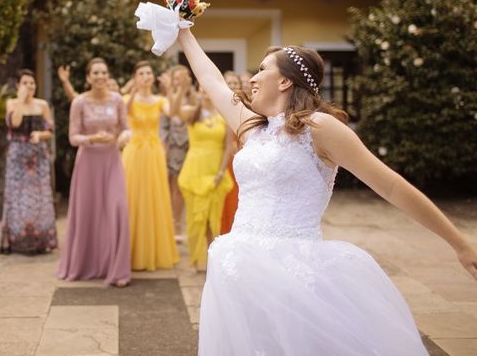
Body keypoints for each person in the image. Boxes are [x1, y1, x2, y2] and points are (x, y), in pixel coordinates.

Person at [175, 27, 477, 355]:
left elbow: (391, 186)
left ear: (285, 81)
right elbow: (211, 80)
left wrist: (459, 244)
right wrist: (183, 31)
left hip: (294, 273)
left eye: (262, 69)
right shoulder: (252, 129)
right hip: (239, 269)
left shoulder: (320, 128)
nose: (252, 78)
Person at [57, 57, 132, 287]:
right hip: (88, 163)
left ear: (108, 76)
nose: (100, 77)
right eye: (95, 73)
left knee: (118, 208)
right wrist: (91, 139)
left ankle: (117, 270)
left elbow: (126, 128)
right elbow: (72, 137)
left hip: (111, 161)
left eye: (104, 73)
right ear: (88, 77)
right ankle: (84, 265)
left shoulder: (117, 100)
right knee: (88, 212)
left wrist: (123, 138)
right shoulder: (79, 102)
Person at [122, 61, 179, 271]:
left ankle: (152, 251)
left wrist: (170, 89)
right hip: (134, 152)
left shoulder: (159, 100)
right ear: (135, 77)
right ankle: (128, 252)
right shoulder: (128, 98)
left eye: (148, 72)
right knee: (131, 197)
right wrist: (133, 90)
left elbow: (173, 113)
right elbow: (123, 112)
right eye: (141, 73)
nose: (146, 76)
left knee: (154, 197)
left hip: (154, 152)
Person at [174, 84, 234, 273]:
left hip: (215, 170)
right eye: (203, 89)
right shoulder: (192, 112)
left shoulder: (224, 115)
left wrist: (220, 172)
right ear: (199, 92)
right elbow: (174, 111)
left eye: (209, 89)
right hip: (195, 170)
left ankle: (212, 262)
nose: (207, 93)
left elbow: (228, 147)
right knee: (195, 217)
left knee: (212, 219)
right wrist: (180, 90)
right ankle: (194, 261)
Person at [0, 69, 58, 254]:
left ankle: (41, 240)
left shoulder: (42, 105)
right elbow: (14, 124)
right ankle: (18, 241)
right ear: (18, 85)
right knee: (17, 198)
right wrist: (21, 100)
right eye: (25, 83)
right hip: (17, 156)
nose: (29, 86)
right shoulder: (11, 103)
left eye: (32, 83)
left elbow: (50, 131)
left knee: (39, 197)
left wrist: (40, 134)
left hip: (38, 156)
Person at [163, 65, 196, 240]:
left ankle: (187, 225)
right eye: (177, 78)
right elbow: (171, 115)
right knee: (175, 188)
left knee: (190, 188)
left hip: (193, 147)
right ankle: (175, 225)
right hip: (174, 147)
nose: (180, 81)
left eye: (184, 77)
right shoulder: (168, 99)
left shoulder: (196, 97)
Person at [219, 71, 241, 234]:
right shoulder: (216, 106)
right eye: (229, 83)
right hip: (219, 157)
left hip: (239, 157)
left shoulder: (246, 108)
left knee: (236, 199)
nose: (232, 86)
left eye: (235, 83)